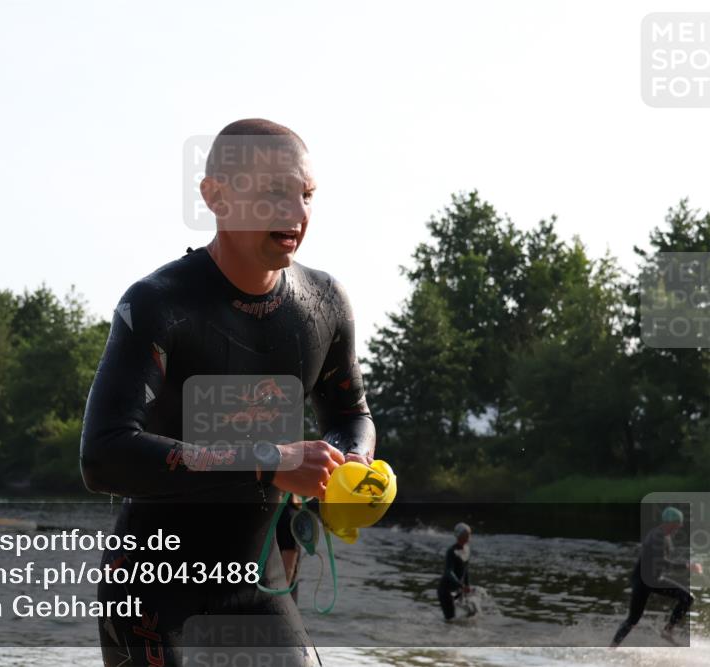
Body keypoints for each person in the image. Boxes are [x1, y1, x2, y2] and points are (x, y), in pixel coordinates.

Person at [80, 119, 376, 666]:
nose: (296, 212)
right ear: (215, 197)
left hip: (259, 587)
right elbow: (104, 455)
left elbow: (350, 414)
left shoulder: (325, 303)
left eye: (305, 194)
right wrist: (271, 460)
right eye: (273, 192)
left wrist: (351, 464)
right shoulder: (158, 305)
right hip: (154, 592)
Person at [610, 506, 702, 647]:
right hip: (642, 581)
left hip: (655, 580)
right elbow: (662, 562)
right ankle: (612, 648)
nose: (680, 526)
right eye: (678, 523)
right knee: (633, 620)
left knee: (687, 598)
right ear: (670, 522)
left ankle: (668, 630)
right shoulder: (656, 537)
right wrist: (687, 566)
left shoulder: (665, 536)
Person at [437, 522, 473, 621]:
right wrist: (461, 585)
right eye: (468, 534)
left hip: (458, 589)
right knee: (450, 619)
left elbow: (465, 569)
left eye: (470, 533)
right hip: (446, 590)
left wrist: (467, 585)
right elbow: (448, 572)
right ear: (461, 536)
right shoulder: (451, 551)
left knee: (472, 613)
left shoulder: (467, 549)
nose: (470, 536)